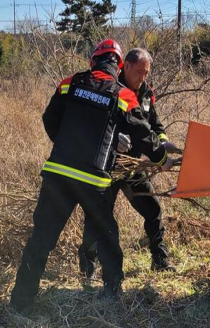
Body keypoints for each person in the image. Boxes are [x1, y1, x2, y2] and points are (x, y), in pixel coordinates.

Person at [10, 40, 173, 314]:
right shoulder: (121, 94)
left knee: (40, 240)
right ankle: (112, 293)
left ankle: (19, 304)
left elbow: (49, 119)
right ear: (120, 66)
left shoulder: (69, 83)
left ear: (92, 61)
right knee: (107, 236)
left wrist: (65, 145)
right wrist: (161, 159)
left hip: (58, 174)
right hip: (94, 179)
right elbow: (144, 133)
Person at [78, 48, 182, 277]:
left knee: (153, 209)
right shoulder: (109, 88)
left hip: (133, 166)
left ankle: (160, 260)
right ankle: (87, 267)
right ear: (125, 67)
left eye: (146, 73)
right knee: (97, 215)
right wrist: (114, 138)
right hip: (109, 165)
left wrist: (162, 143)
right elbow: (91, 122)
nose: (143, 78)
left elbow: (154, 126)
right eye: (139, 72)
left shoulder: (146, 93)